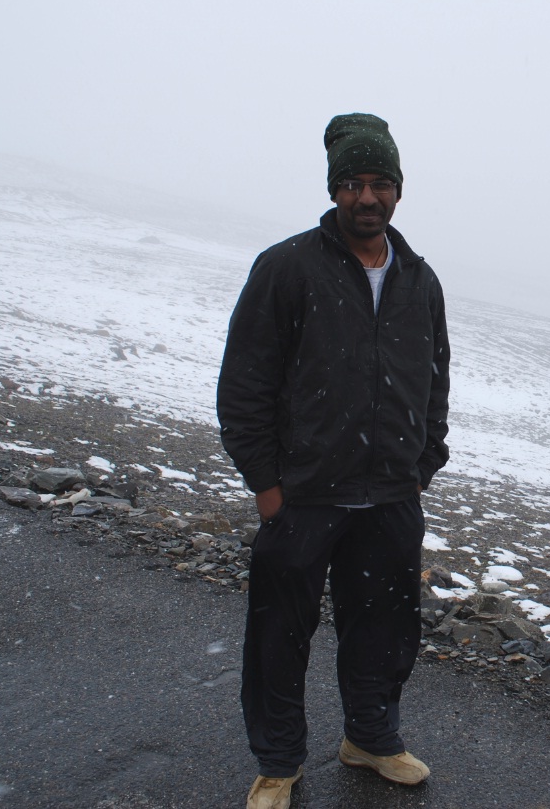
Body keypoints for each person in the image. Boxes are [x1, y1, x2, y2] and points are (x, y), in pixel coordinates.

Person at [216, 113, 449, 808]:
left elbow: (434, 381)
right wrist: (267, 487)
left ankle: (370, 739)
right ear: (333, 189)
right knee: (279, 635)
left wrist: (420, 467)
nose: (366, 197)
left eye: (379, 183)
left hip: (389, 497)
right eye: (352, 183)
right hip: (304, 496)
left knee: (384, 631)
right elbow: (245, 383)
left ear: (399, 190)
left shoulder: (419, 280)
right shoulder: (288, 267)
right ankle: (278, 762)